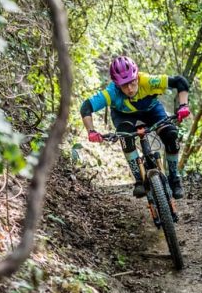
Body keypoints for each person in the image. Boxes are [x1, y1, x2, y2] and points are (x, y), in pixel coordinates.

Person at [80, 55, 191, 199]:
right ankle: (139, 180)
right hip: (124, 115)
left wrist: (183, 105)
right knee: (125, 136)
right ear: (117, 84)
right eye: (124, 85)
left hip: (151, 110)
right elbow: (86, 107)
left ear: (137, 77)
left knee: (171, 135)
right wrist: (91, 131)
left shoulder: (148, 81)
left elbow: (180, 82)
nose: (130, 88)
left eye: (132, 82)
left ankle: (174, 180)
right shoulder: (112, 92)